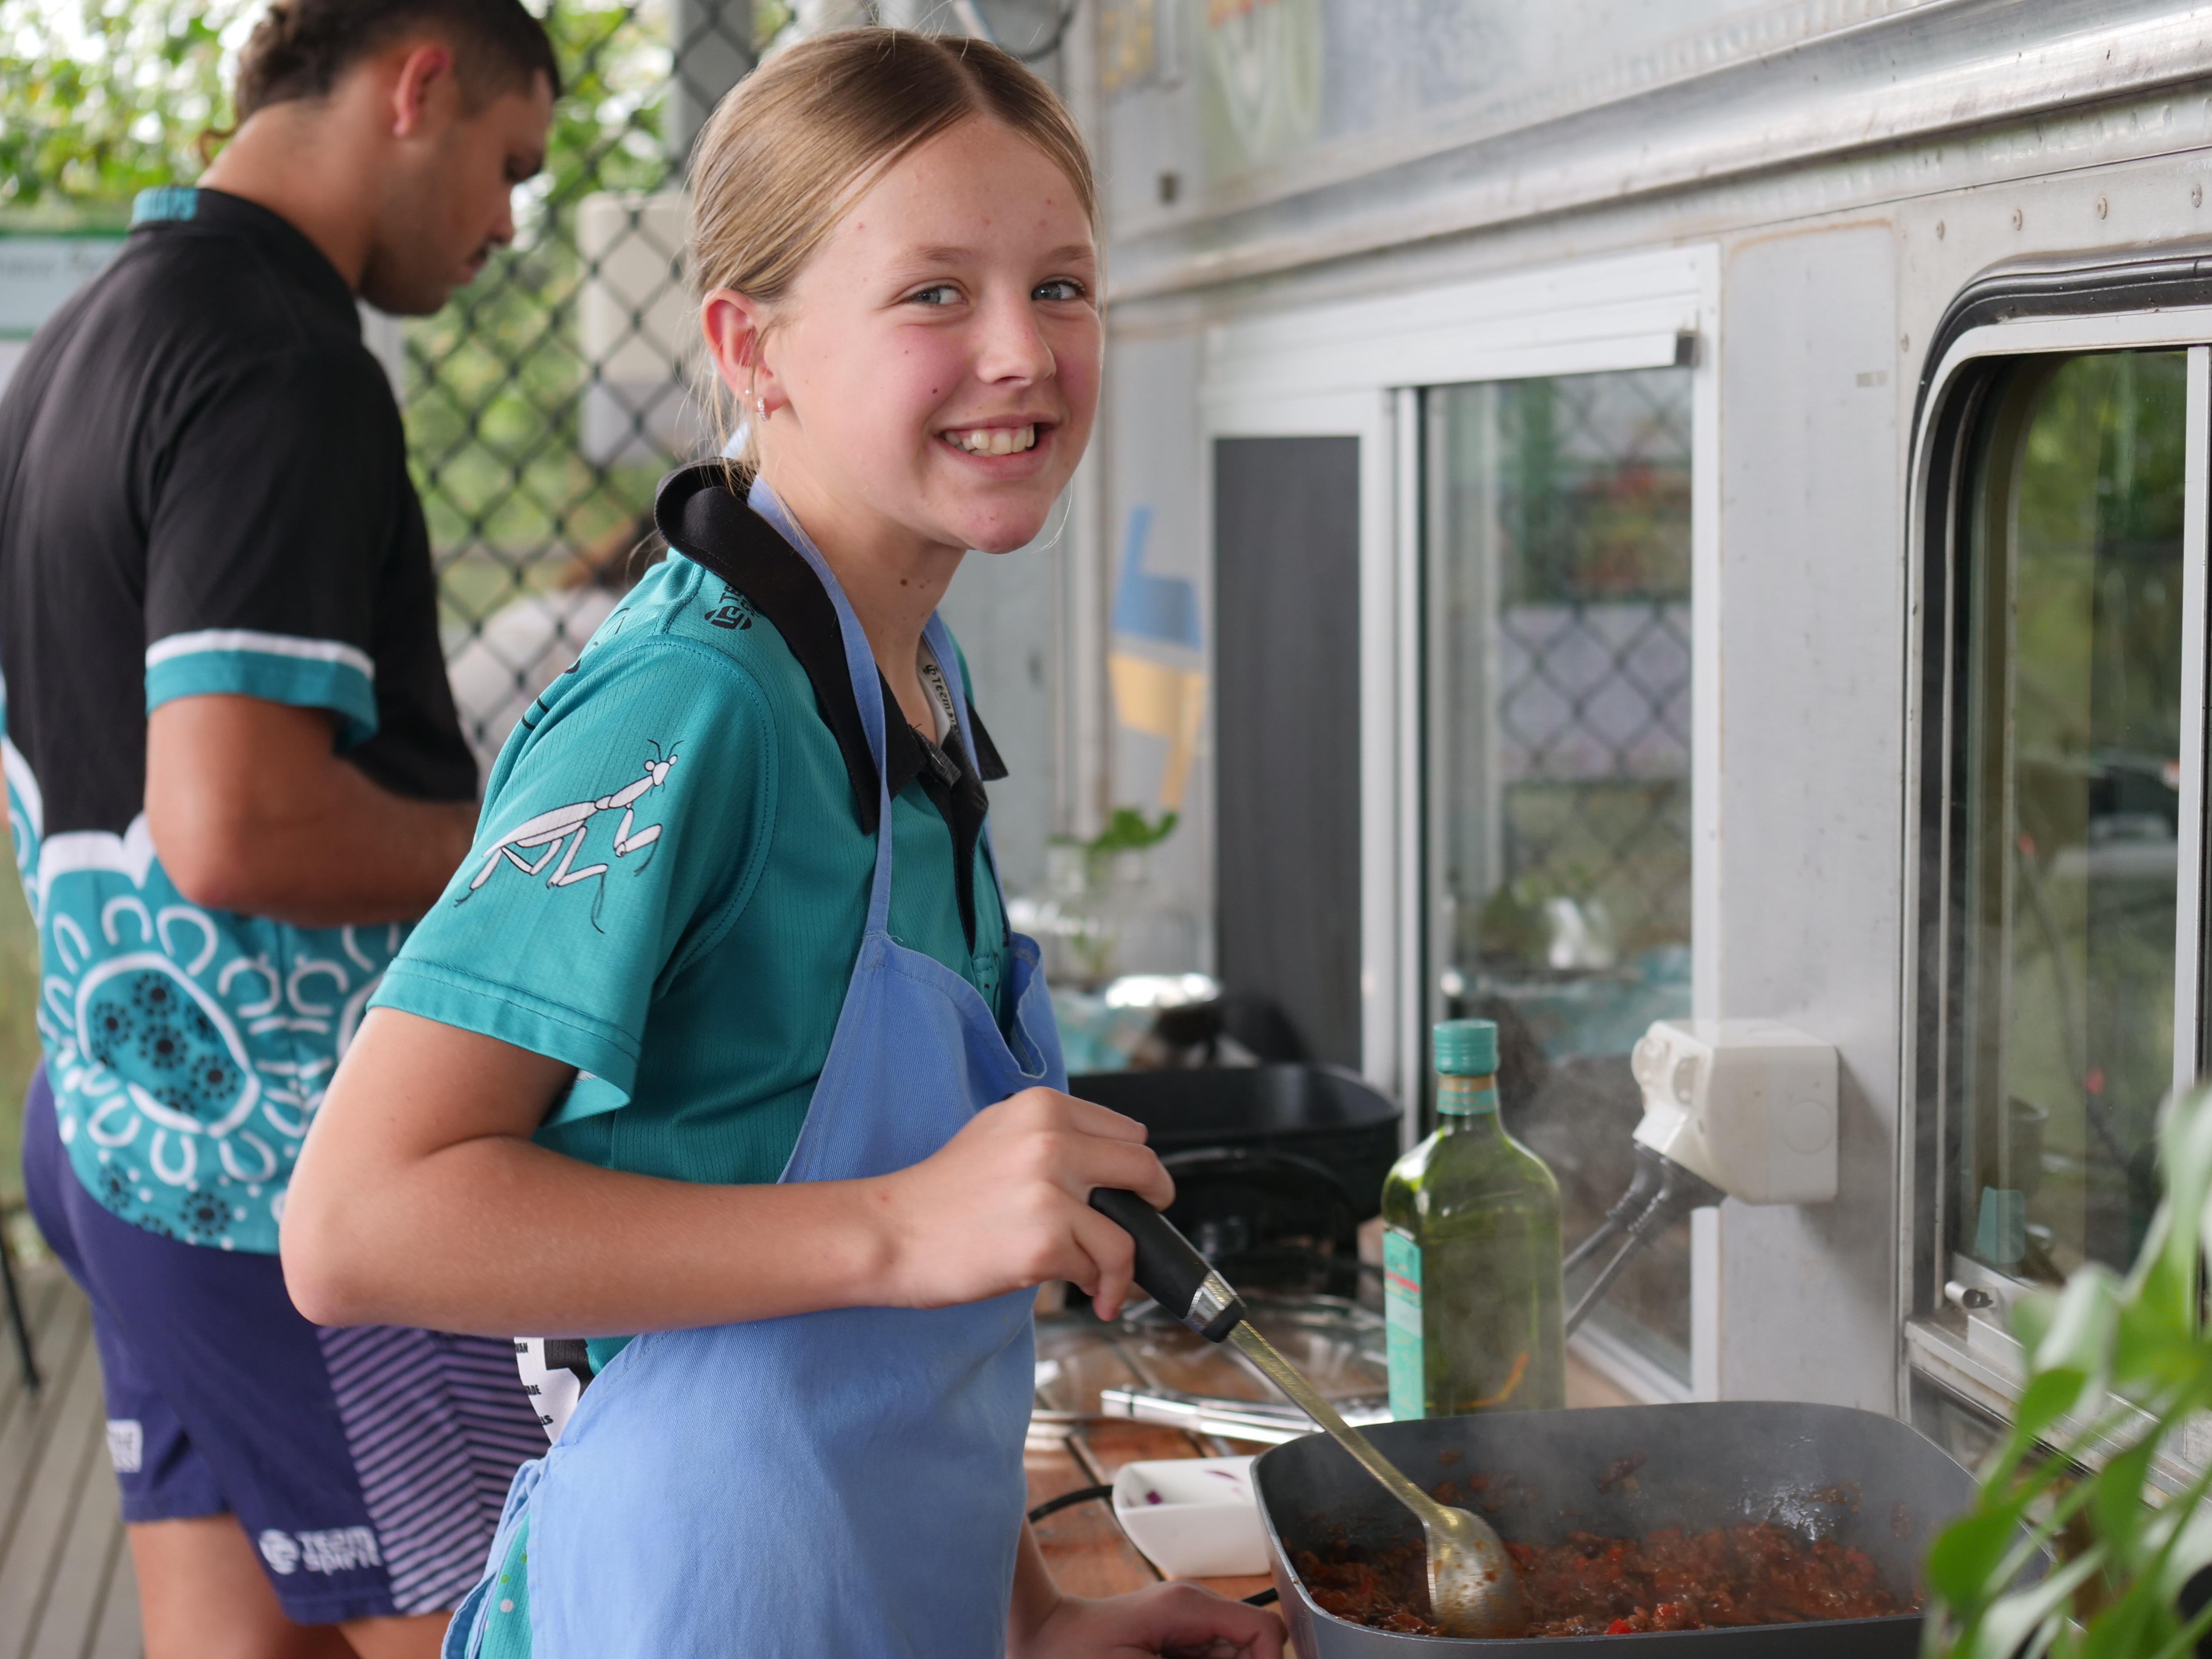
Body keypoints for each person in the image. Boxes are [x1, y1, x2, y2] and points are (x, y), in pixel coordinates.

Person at [280, 29, 1287, 1659]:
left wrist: (1029, 1620)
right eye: (933, 294)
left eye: (1062, 287)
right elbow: (354, 1223)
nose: (1022, 352)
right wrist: (900, 1225)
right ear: (755, 347)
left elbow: (868, 1302)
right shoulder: (696, 702)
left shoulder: (910, 674)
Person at [0, 4, 559, 1655]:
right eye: (509, 167)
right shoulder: (282, 361)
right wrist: (550, 858)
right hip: (298, 1181)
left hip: (124, 1138)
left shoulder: (83, 343)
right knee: (501, 1631)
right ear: (421, 83)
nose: (508, 226)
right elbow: (235, 829)